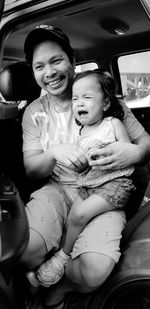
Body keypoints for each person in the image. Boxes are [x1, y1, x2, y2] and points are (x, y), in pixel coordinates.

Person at [21, 24, 150, 306]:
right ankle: (47, 263)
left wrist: (135, 153)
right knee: (26, 248)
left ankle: (59, 285)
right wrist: (54, 151)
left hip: (104, 191)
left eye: (56, 61)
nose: (49, 72)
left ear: (73, 61)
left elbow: (145, 143)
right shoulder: (34, 113)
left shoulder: (108, 104)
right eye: (39, 66)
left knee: (93, 271)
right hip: (59, 188)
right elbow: (31, 169)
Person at [35, 69, 135, 288]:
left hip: (114, 185)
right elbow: (82, 170)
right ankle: (67, 252)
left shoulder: (112, 124)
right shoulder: (81, 133)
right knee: (73, 217)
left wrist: (109, 151)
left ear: (106, 103)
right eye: (75, 98)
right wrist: (78, 164)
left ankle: (61, 258)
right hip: (88, 184)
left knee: (79, 214)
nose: (79, 103)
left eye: (87, 97)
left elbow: (128, 152)